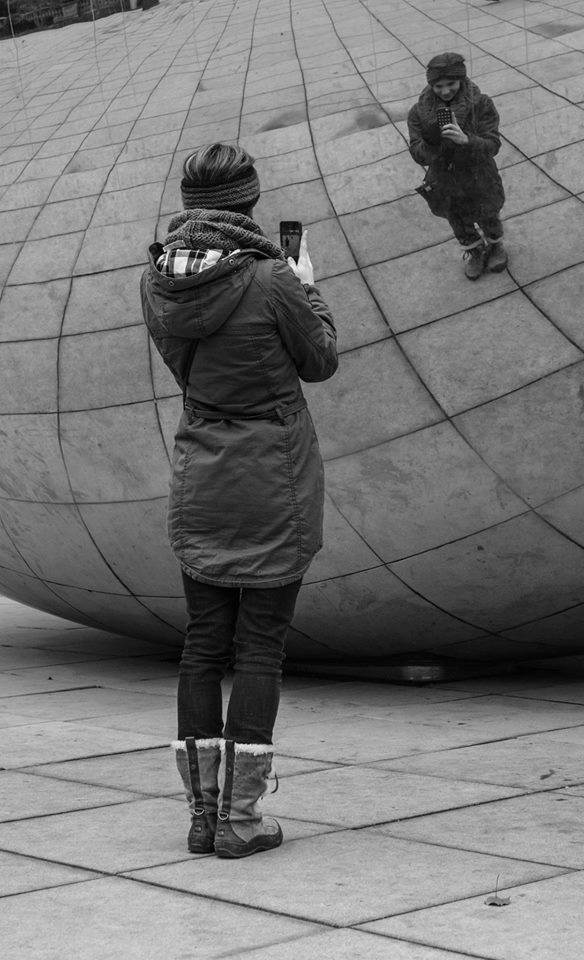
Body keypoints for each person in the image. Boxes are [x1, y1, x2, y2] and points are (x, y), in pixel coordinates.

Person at [140, 143, 338, 858]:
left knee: (202, 644)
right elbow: (320, 360)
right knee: (259, 648)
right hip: (273, 477)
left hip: (202, 471)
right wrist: (307, 287)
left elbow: (185, 370)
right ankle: (241, 820)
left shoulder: (156, 279)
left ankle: (202, 816)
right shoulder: (270, 277)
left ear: (190, 205)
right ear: (248, 202)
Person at [408, 52, 507, 280]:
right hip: (445, 178)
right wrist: (432, 143)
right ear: (430, 85)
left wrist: (467, 140)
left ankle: (495, 245)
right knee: (458, 221)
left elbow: (493, 144)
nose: (445, 91)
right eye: (438, 86)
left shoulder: (481, 104)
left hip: (479, 174)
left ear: (461, 80)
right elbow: (417, 153)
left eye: (451, 84)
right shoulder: (418, 112)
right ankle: (475, 252)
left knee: (489, 214)